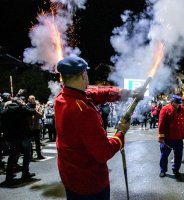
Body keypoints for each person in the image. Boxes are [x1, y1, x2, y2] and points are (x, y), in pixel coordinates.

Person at [54, 56, 144, 199]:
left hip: (70, 175)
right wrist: (121, 132)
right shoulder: (83, 111)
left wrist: (126, 93)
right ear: (84, 74)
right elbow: (104, 153)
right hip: (89, 183)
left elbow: (96, 93)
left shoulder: (62, 97)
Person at [1, 97, 39, 184]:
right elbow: (34, 111)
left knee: (12, 157)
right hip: (24, 136)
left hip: (11, 138)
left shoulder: (4, 112)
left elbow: (2, 127)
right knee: (27, 155)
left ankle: (9, 176)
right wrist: (24, 105)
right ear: (18, 102)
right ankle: (25, 173)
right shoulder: (22, 108)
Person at [158, 95, 184, 179]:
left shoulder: (182, 109)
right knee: (164, 155)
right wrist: (161, 137)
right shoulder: (165, 109)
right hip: (168, 138)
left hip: (179, 137)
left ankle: (176, 169)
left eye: (179, 104)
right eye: (176, 103)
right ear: (172, 102)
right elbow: (161, 124)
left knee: (179, 155)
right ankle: (163, 170)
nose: (178, 105)